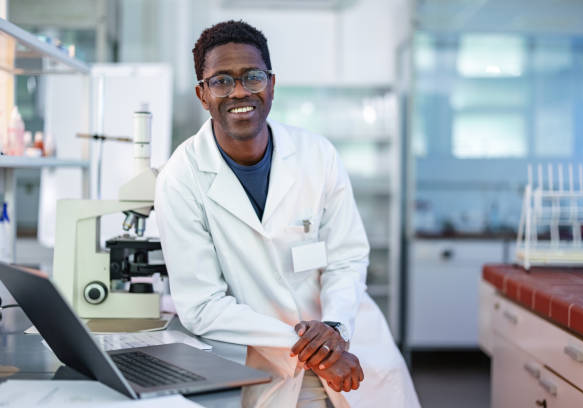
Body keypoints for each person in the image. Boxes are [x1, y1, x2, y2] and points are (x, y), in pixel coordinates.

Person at [155, 20, 420, 408]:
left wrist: (334, 328)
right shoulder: (181, 178)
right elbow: (202, 306)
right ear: (202, 94)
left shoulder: (317, 155)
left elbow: (347, 257)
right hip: (275, 369)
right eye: (221, 81)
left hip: (352, 349)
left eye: (252, 77)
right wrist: (312, 345)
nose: (240, 91)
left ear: (272, 85)